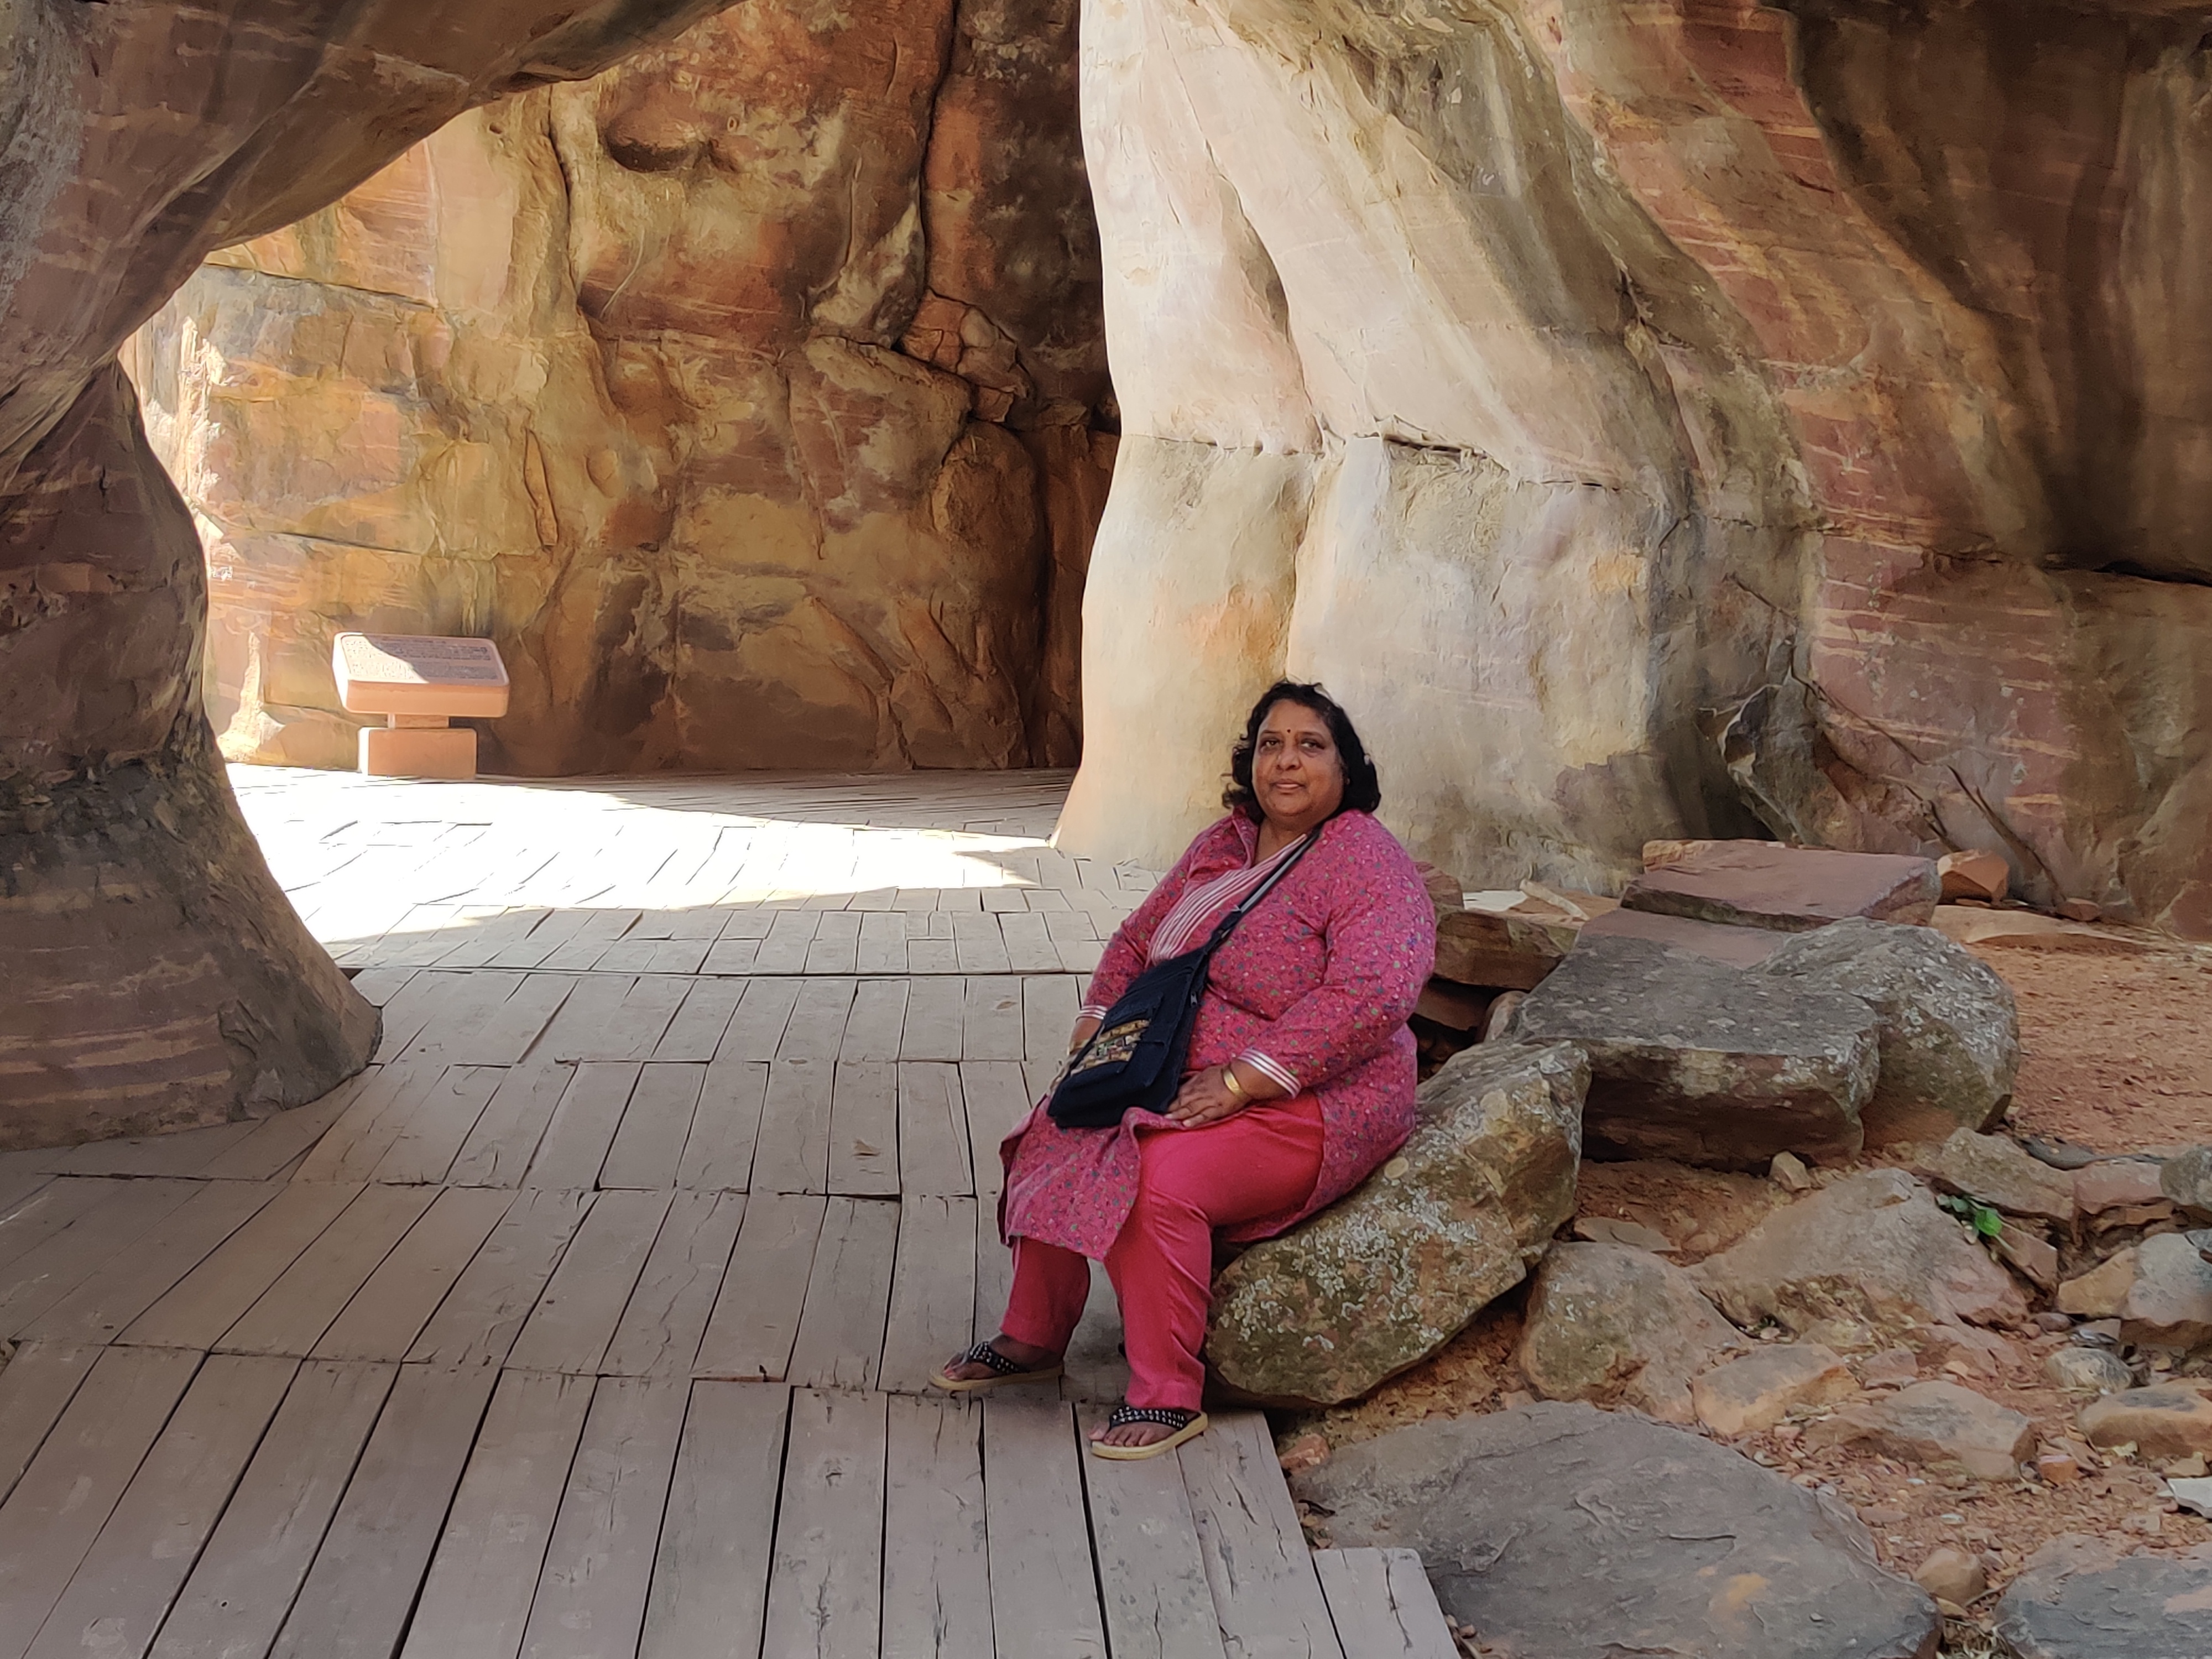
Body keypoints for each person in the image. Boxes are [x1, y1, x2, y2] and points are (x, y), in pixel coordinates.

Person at [933, 681, 1435, 1456]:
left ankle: (1168, 1394)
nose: (1287, 763)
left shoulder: (1362, 858)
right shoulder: (1224, 844)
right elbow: (1139, 940)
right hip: (1173, 1066)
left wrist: (1244, 1080)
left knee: (1155, 1175)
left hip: (1320, 1098)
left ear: (1346, 767)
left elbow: (1375, 992)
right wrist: (1096, 1033)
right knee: (1060, 1124)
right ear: (1251, 760)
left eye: (1311, 746)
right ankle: (1033, 1337)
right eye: (1272, 744)